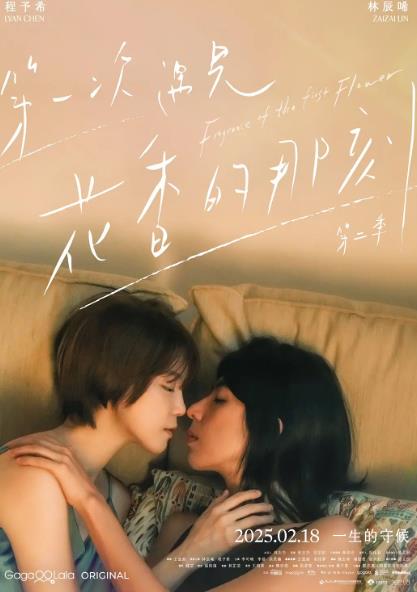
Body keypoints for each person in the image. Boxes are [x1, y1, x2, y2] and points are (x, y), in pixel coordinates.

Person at [4, 336, 365, 592]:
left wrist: (88, 498)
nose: (191, 409)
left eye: (219, 399)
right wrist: (192, 550)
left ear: (270, 428)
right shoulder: (183, 528)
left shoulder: (331, 541)